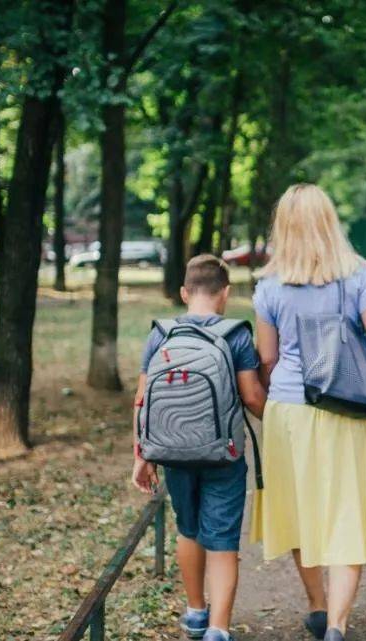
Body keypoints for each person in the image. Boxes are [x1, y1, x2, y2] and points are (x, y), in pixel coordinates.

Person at [249, 184, 366, 641]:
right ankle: (338, 623)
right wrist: (354, 375)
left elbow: (267, 357)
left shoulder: (269, 286)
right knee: (346, 512)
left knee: (301, 510)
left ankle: (318, 606)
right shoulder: (357, 275)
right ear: (329, 222)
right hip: (347, 412)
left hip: (290, 413)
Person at [131, 254, 266, 641]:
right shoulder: (236, 333)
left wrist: (141, 455)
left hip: (171, 450)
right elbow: (252, 397)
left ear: (184, 292)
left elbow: (142, 399)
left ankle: (195, 612)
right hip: (223, 454)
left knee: (188, 530)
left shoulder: (161, 333)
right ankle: (219, 629)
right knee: (222, 538)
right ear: (225, 293)